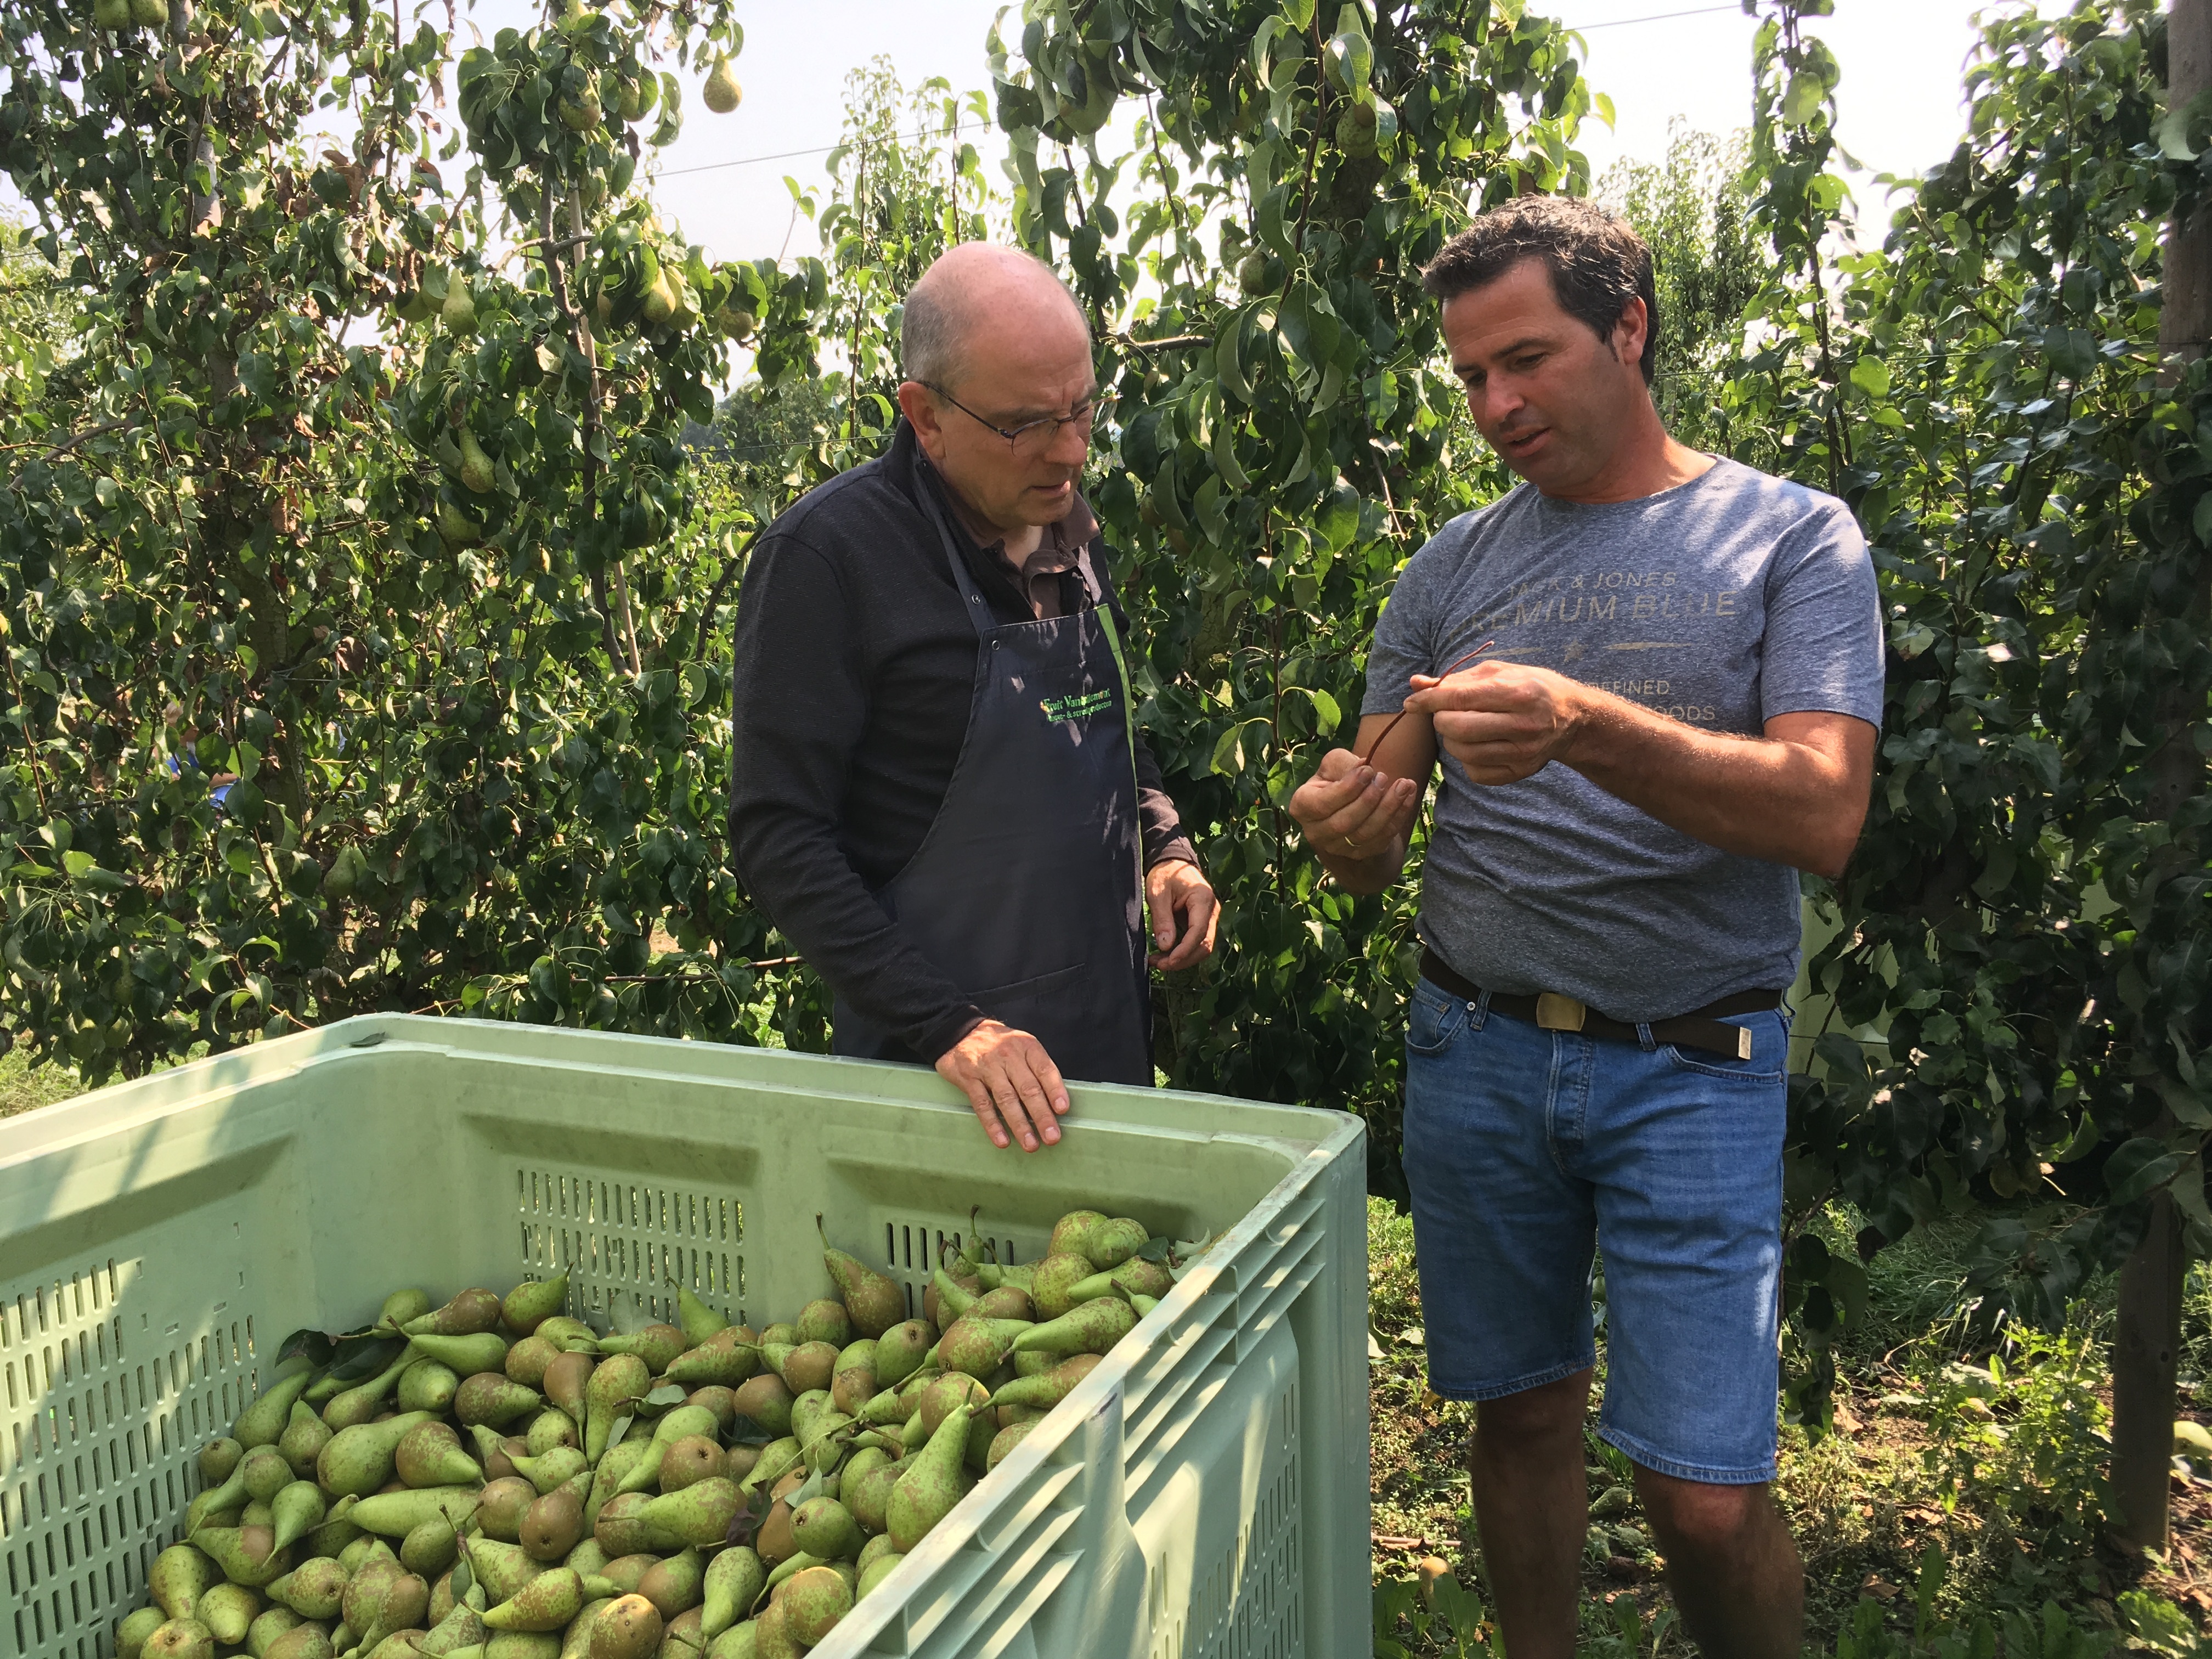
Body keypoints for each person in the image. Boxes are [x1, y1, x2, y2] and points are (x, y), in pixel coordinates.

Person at [1288, 196, 1881, 1658]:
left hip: (1693, 1060)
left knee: (1705, 1496)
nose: (1495, 406)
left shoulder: (1791, 540)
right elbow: (1377, 807)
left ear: (1629, 329)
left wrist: (1582, 725)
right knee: (1524, 1412)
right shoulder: (1450, 569)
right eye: (1471, 377)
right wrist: (1349, 825)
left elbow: (1823, 811)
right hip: (1477, 1049)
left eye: (1527, 361)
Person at [729, 244, 1218, 1154]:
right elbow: (777, 835)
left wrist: (1165, 845)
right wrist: (951, 1027)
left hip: (1103, 1054)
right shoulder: (829, 561)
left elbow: (1100, 720)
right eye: (1028, 423)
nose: (1070, 451)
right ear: (925, 416)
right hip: (940, 1089)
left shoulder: (1067, 525)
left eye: (1083, 409)